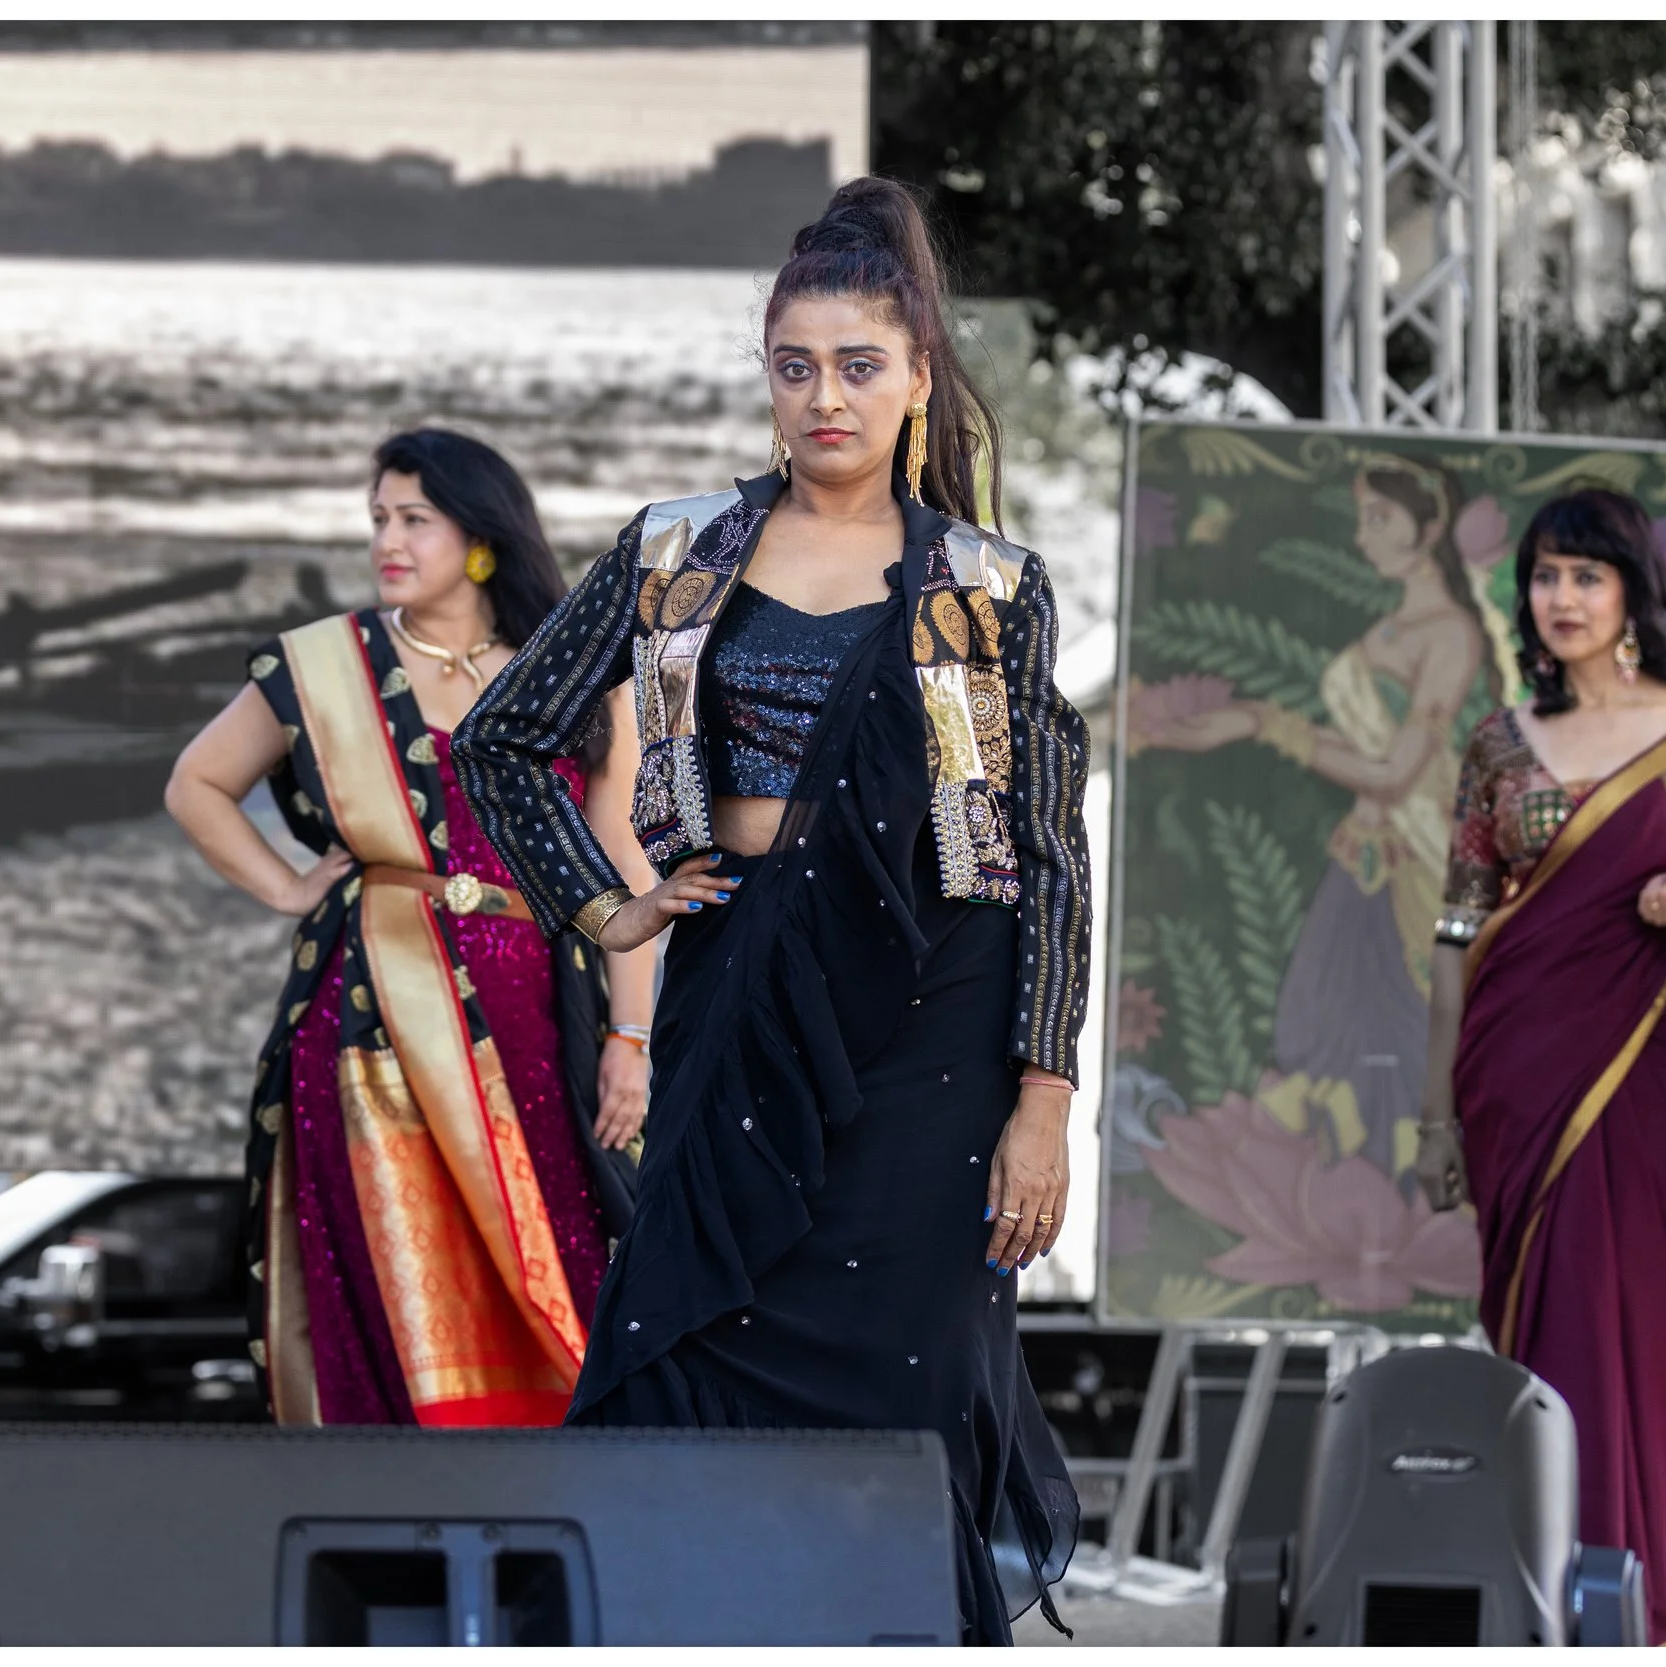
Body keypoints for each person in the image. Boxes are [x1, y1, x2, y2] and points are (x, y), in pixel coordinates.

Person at [454, 177, 1089, 1644]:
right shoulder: (679, 547)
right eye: (794, 365)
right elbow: (502, 734)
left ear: (920, 375)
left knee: (910, 1384)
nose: (825, 396)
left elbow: (1047, 853)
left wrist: (1044, 1100)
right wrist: (607, 909)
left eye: (860, 365)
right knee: (677, 1346)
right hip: (739, 997)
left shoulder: (989, 587)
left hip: (938, 1019)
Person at [166, 428, 661, 1428]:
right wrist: (287, 885)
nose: (388, 540)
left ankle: (546, 1508)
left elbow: (626, 870)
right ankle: (387, 1511)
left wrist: (631, 1038)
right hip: (368, 1020)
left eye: (414, 520)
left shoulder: (575, 674)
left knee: (555, 1260)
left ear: (480, 538)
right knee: (391, 1270)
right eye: (378, 520)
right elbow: (197, 783)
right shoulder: (326, 666)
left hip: (540, 1024)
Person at [1414, 489, 1666, 1644]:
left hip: (1646, 1087)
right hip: (1515, 1091)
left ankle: (1636, 1599)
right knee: (1542, 1338)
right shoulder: (1498, 742)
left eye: (1587, 577)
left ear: (1633, 594)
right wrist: (1436, 1118)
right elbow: (1457, 936)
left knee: (1635, 1326)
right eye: (1545, 576)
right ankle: (1543, 1592)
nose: (1562, 599)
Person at [1128, 455, 1491, 1179]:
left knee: (1389, 1036)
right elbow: (1365, 751)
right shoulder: (1391, 627)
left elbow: (1395, 775)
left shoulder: (1450, 635)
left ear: (1429, 528)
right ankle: (1345, 1192)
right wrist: (1248, 719)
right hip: (1361, 853)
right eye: (1362, 517)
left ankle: (1392, 1207)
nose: (1364, 536)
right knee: (1321, 1027)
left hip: (1412, 863)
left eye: (1380, 519)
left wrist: (1269, 726)